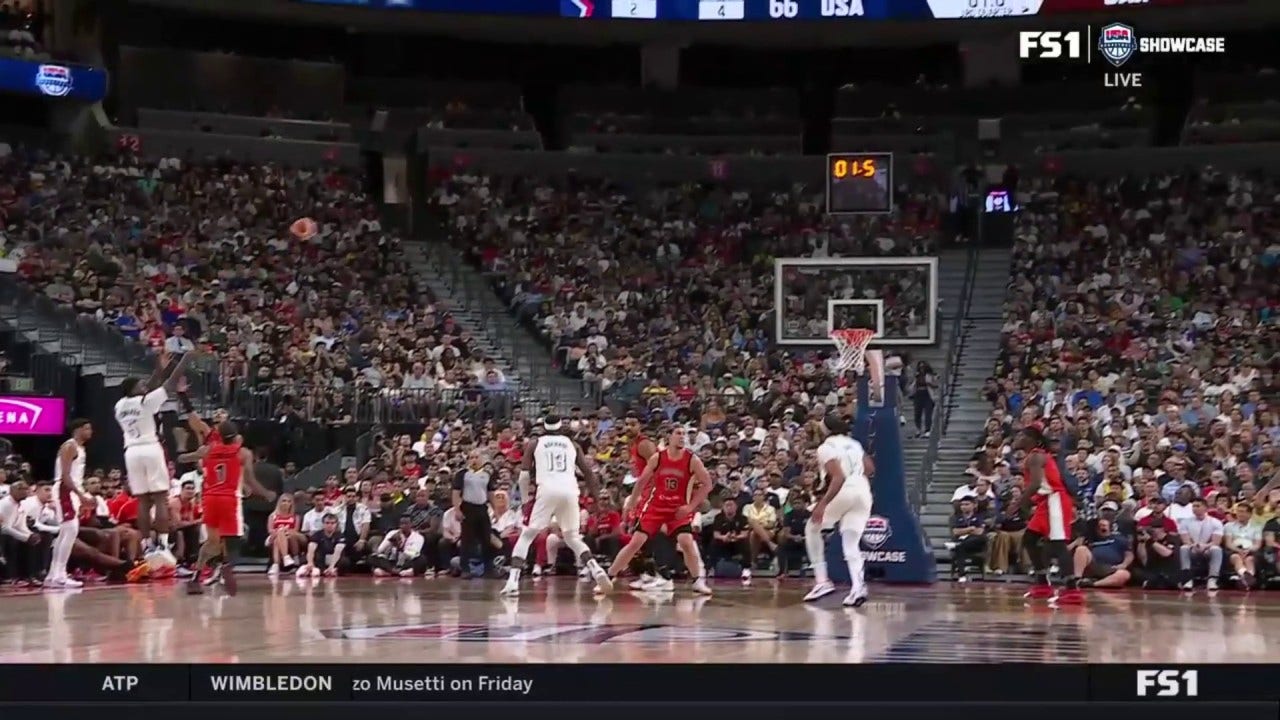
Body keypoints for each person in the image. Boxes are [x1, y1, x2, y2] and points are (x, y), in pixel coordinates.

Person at [502, 415, 610, 596]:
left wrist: (524, 500)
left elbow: (523, 476)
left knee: (528, 534)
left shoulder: (535, 443)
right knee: (573, 537)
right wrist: (597, 500)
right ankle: (597, 571)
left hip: (548, 490)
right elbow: (589, 474)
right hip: (570, 490)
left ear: (544, 428)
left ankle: (513, 581)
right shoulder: (572, 444)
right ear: (561, 428)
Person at [606, 425, 713, 596]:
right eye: (678, 433)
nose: (682, 437)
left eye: (684, 434)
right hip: (656, 507)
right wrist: (631, 503)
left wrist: (690, 507)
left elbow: (707, 484)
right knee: (636, 542)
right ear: (668, 437)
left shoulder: (692, 459)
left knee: (686, 541)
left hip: (677, 509)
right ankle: (609, 576)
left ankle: (697, 581)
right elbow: (641, 482)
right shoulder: (658, 458)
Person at [114, 349, 195, 566]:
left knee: (142, 499)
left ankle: (147, 543)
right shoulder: (146, 402)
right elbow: (170, 383)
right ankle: (162, 543)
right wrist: (184, 361)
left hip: (131, 451)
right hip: (150, 447)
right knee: (160, 497)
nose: (145, 387)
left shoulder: (120, 406)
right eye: (140, 386)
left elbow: (149, 388)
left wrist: (158, 368)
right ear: (134, 390)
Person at [178, 421, 275, 595]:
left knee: (212, 541)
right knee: (234, 537)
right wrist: (266, 493)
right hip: (229, 499)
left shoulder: (208, 450)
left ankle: (195, 577)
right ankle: (224, 564)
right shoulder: (243, 453)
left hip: (209, 498)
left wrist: (189, 452)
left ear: (219, 435)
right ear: (237, 436)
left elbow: (183, 459)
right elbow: (251, 480)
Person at [803, 413, 875, 607]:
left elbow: (838, 477)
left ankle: (822, 581)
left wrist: (822, 504)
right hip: (863, 491)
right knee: (851, 543)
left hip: (845, 489)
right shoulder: (854, 443)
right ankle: (858, 587)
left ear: (825, 429)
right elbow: (870, 468)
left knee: (812, 528)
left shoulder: (826, 447)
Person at [1017, 423, 1080, 604]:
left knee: (1059, 544)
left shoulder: (1037, 456)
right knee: (1029, 539)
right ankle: (1042, 583)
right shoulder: (1033, 456)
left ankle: (1071, 589)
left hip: (1056, 500)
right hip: (1046, 501)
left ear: (1032, 439)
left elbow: (1036, 484)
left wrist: (1018, 504)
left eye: (1023, 435)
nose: (1018, 438)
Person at [48, 419, 94, 588]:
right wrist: (80, 495)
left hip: (70, 490)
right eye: (87, 428)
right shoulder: (70, 446)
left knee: (66, 533)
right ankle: (59, 575)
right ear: (77, 429)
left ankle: (54, 575)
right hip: (64, 489)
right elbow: (65, 475)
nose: (90, 431)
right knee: (70, 530)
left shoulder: (80, 448)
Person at [1177, 498, 1224, 591]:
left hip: (1207, 549)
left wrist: (1205, 546)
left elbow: (1216, 541)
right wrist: (1194, 545)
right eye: (1193, 506)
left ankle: (1212, 579)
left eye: (1198, 506)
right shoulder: (1185, 522)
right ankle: (1187, 578)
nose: (1195, 508)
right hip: (1193, 548)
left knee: (1216, 549)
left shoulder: (1215, 522)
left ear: (1205, 508)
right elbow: (1185, 539)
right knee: (1183, 548)